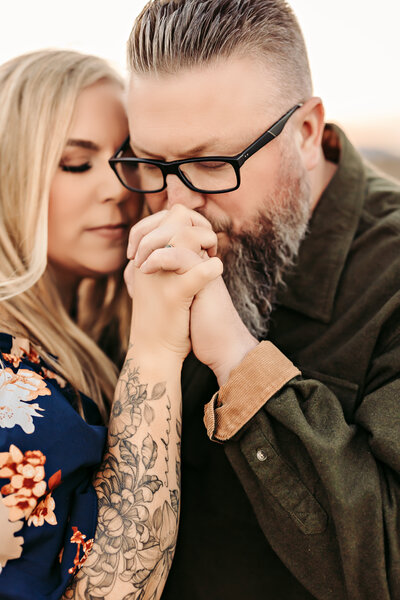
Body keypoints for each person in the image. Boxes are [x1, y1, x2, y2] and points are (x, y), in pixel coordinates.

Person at [109, 0, 400, 598]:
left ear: (308, 132)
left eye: (212, 164)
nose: (178, 207)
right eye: (153, 163)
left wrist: (239, 361)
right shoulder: (133, 231)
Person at [0, 49, 222, 600]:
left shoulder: (78, 336)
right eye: (76, 162)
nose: (117, 188)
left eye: (126, 161)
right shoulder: (9, 385)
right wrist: (155, 349)